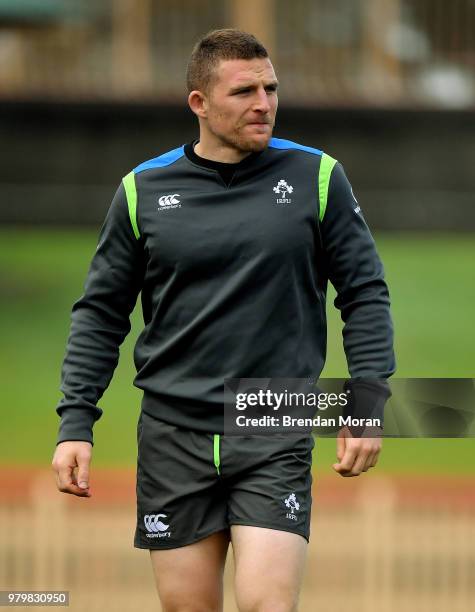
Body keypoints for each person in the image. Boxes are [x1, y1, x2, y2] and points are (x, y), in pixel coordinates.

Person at [52, 28, 395, 612]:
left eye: (271, 88)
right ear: (200, 104)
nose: (264, 103)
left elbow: (364, 292)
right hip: (171, 431)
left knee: (266, 604)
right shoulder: (141, 190)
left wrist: (367, 402)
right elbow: (101, 314)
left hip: (274, 418)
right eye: (244, 92)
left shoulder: (317, 178)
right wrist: (75, 422)